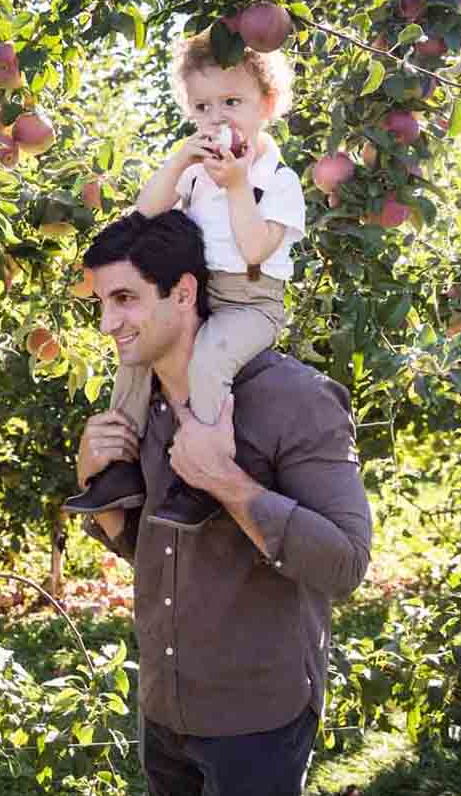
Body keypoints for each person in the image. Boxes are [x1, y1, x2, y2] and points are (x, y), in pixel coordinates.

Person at [72, 209, 371, 796]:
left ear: (183, 291)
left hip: (257, 715)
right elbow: (152, 553)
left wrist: (228, 483)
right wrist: (94, 483)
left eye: (124, 299)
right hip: (165, 707)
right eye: (101, 303)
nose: (107, 323)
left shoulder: (295, 399)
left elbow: (346, 564)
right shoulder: (140, 400)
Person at [65, 34, 305, 530]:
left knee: (210, 357)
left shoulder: (278, 179)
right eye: (203, 106)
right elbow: (144, 215)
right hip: (199, 293)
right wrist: (179, 161)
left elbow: (256, 249)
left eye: (232, 102)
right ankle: (119, 470)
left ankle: (204, 475)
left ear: (268, 105)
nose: (217, 117)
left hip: (250, 303)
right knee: (136, 355)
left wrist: (237, 186)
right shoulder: (197, 174)